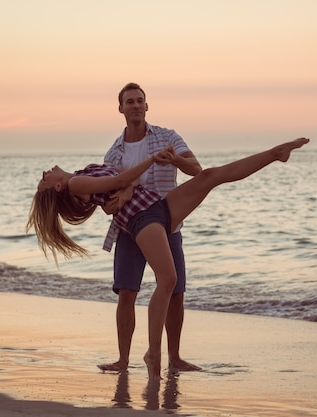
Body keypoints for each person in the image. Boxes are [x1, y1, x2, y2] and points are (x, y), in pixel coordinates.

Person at [27, 137, 310, 379]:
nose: (45, 172)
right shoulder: (76, 182)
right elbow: (122, 178)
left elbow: (127, 179)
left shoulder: (83, 173)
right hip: (140, 217)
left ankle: (275, 154)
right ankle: (153, 354)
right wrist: (150, 161)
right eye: (44, 180)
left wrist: (126, 188)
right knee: (168, 279)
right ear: (58, 188)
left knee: (210, 176)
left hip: (158, 206)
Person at [100, 83, 202, 374]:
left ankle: (175, 357)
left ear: (147, 106)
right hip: (130, 230)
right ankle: (122, 360)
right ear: (120, 108)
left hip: (168, 225)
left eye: (140, 101)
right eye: (129, 101)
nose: (135, 105)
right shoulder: (114, 154)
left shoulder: (167, 137)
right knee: (127, 293)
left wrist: (176, 160)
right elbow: (111, 194)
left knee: (176, 292)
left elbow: (196, 169)